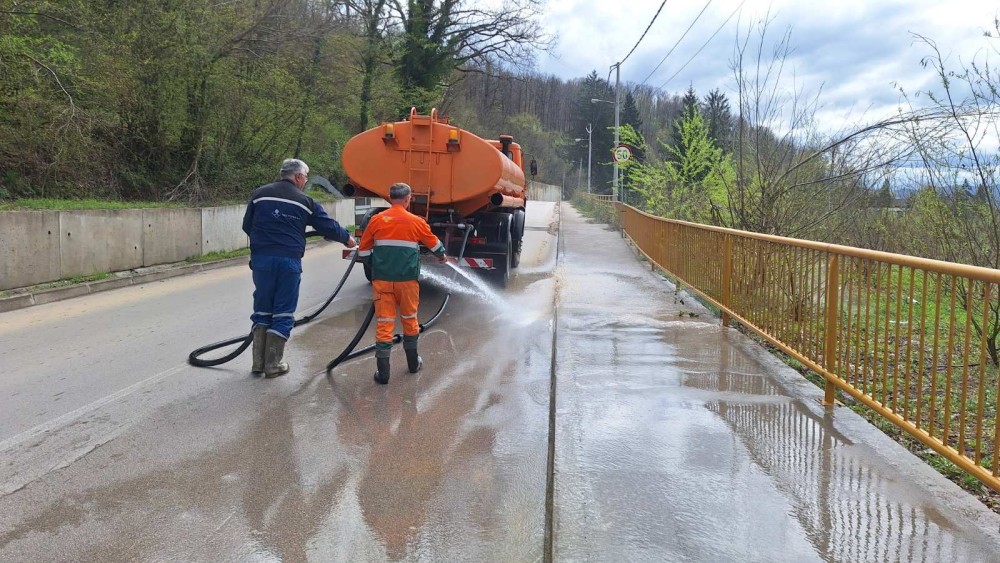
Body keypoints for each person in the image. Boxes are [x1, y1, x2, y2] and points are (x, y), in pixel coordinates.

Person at [242, 158, 357, 378]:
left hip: (262, 260)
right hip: (288, 261)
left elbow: (247, 225)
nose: (305, 181)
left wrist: (265, 241)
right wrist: (348, 240)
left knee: (262, 308)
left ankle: (258, 364)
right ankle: (273, 365)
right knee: (283, 311)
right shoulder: (304, 201)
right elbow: (328, 226)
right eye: (305, 177)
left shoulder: (260, 194)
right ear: (297, 177)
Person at [357, 182, 447, 384]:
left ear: (390, 198)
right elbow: (434, 244)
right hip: (407, 282)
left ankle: (383, 373)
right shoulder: (416, 221)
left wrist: (375, 267)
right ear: (408, 199)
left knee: (384, 324)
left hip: (382, 282)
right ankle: (413, 364)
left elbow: (362, 251)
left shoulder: (376, 220)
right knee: (410, 320)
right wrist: (442, 256)